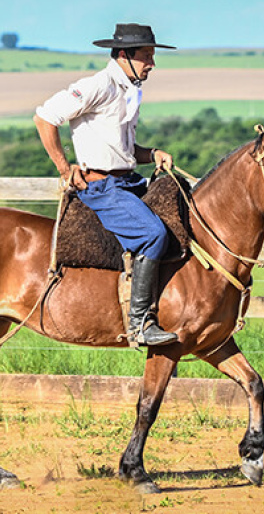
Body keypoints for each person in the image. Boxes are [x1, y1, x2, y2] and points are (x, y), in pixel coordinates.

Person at [34, 23, 178, 347]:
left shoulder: (131, 89)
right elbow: (44, 118)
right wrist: (63, 166)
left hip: (127, 180)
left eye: (152, 56)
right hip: (102, 187)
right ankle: (140, 324)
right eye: (146, 56)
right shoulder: (96, 86)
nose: (152, 64)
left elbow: (122, 152)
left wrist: (152, 153)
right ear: (124, 55)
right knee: (152, 234)